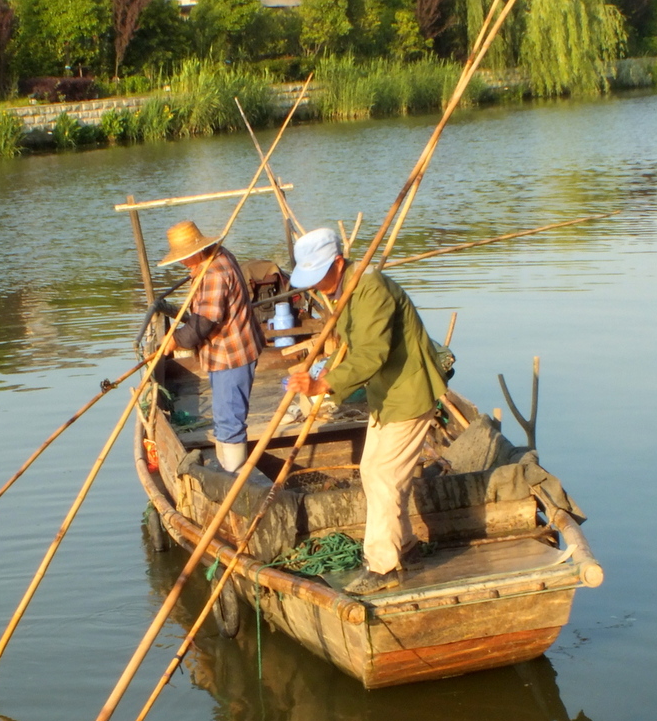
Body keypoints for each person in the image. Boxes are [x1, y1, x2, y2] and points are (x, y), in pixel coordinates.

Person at [286, 227, 447, 594]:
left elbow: (372, 353)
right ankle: (404, 547)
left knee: (382, 473)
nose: (314, 287)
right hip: (384, 396)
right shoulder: (345, 292)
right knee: (373, 469)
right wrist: (327, 372)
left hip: (407, 394)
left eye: (319, 276)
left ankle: (383, 567)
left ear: (339, 263)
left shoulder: (371, 288)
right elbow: (353, 346)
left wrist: (323, 385)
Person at [159, 219, 265, 472]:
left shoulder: (214, 273)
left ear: (198, 251)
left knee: (230, 420)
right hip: (223, 354)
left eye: (185, 258)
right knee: (223, 416)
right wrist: (197, 273)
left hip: (232, 354)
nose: (184, 263)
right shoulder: (219, 255)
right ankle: (227, 467)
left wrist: (175, 340)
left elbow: (205, 321)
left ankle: (235, 477)